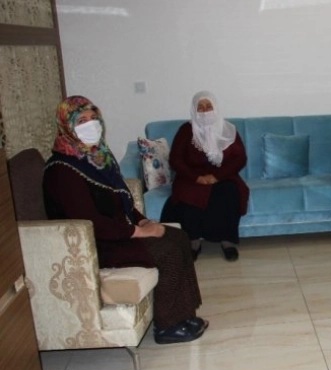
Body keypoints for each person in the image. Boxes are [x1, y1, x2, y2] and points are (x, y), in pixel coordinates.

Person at [43, 96, 208, 344]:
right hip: (95, 245)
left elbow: (122, 200)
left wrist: (142, 221)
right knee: (167, 251)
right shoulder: (62, 170)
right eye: (82, 121)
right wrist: (139, 233)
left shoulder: (98, 158)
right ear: (67, 126)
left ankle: (184, 314)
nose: (91, 125)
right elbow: (90, 223)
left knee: (180, 237)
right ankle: (168, 327)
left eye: (94, 118)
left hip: (117, 232)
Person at [160, 91, 249, 262]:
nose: (205, 111)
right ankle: (193, 241)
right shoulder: (186, 130)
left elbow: (240, 158)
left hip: (222, 176)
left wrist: (217, 176)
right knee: (188, 196)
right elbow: (175, 160)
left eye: (209, 106)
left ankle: (227, 241)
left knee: (230, 192)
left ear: (215, 108)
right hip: (191, 177)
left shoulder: (228, 130)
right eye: (200, 107)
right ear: (194, 110)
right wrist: (196, 177)